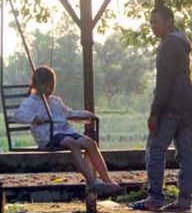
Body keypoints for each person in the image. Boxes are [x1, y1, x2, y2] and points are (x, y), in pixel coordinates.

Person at [130, 5, 192, 212]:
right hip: (189, 103)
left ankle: (155, 197)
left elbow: (164, 82)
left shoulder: (168, 45)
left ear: (169, 21)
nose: (153, 27)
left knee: (155, 148)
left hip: (172, 105)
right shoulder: (181, 41)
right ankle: (185, 198)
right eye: (151, 23)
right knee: (186, 152)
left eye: (156, 22)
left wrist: (155, 112)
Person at [12, 65, 122, 196]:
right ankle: (92, 181)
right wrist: (34, 118)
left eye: (52, 85)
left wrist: (85, 115)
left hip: (65, 132)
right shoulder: (30, 102)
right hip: (49, 135)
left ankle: (107, 180)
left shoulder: (55, 101)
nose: (50, 89)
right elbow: (17, 115)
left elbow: (68, 113)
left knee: (90, 143)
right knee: (71, 143)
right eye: (48, 86)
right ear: (38, 85)